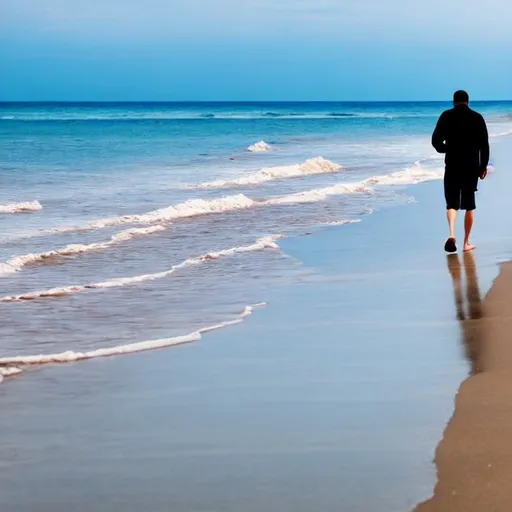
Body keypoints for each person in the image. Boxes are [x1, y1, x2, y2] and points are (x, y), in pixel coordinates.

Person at [432, 90, 490, 253]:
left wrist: (446, 149)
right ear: (468, 101)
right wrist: (483, 166)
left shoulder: (446, 116)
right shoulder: (477, 118)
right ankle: (466, 243)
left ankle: (451, 234)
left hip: (452, 164)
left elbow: (435, 140)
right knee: (469, 205)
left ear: (454, 101)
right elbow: (484, 144)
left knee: (452, 203)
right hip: (471, 166)